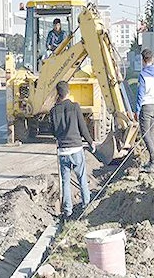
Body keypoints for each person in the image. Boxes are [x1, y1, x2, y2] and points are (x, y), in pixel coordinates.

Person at [50, 81, 96, 219]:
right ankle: (86, 205)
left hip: (63, 151)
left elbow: (53, 132)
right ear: (68, 92)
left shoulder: (53, 111)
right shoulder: (75, 107)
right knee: (82, 178)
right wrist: (90, 142)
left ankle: (67, 210)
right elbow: (83, 128)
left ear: (58, 93)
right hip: (76, 149)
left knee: (65, 182)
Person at [135, 48, 154, 173]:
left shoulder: (143, 75)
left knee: (145, 135)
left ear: (143, 60)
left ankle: (153, 161)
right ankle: (152, 160)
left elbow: (140, 94)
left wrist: (136, 110)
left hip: (145, 107)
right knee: (151, 134)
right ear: (153, 59)